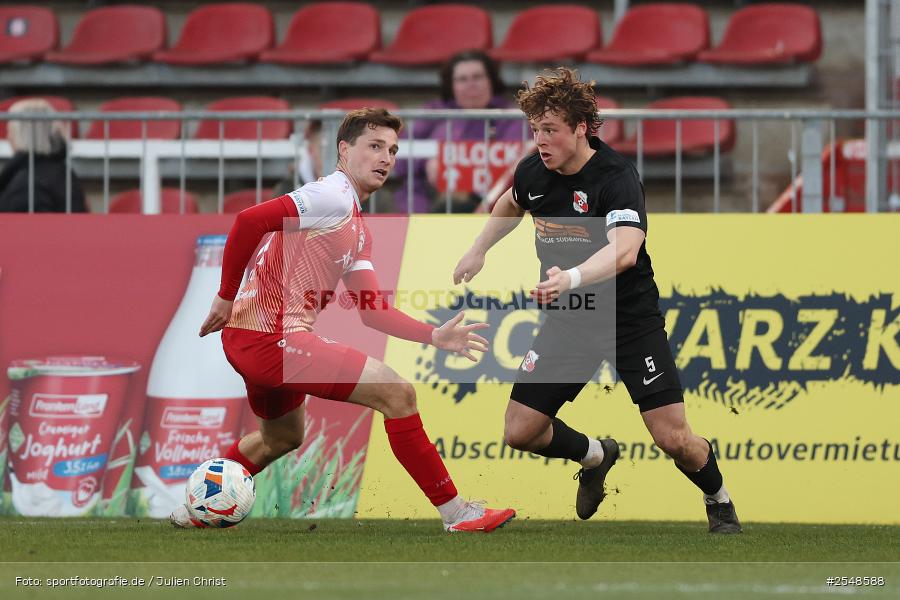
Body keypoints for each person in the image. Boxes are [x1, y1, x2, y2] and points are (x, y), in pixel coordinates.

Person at [171, 108, 516, 533]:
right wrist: (225, 297)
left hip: (254, 340)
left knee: (281, 438)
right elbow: (248, 221)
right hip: (271, 338)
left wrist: (434, 336)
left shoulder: (356, 226)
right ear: (344, 149)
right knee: (398, 393)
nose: (385, 158)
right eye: (374, 146)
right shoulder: (330, 196)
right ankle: (458, 514)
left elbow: (372, 311)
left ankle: (193, 510)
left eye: (391, 149)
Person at [452, 68, 741, 534]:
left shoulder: (616, 177)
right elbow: (511, 202)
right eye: (535, 130)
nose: (540, 140)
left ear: (581, 128)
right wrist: (479, 248)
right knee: (519, 431)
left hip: (628, 320)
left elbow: (625, 251)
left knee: (674, 439)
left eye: (550, 130)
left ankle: (719, 499)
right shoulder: (534, 171)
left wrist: (569, 277)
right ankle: (596, 454)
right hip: (570, 321)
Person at [393, 50, 524, 213]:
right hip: (428, 198)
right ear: (451, 85)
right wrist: (428, 162)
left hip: (490, 202)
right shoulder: (432, 113)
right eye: (462, 79)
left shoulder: (513, 117)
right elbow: (399, 157)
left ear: (491, 80)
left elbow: (518, 166)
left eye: (477, 77)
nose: (471, 84)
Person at [0, 98, 86, 213]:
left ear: (21, 135)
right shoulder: (63, 172)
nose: (8, 137)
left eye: (10, 130)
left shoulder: (25, 185)